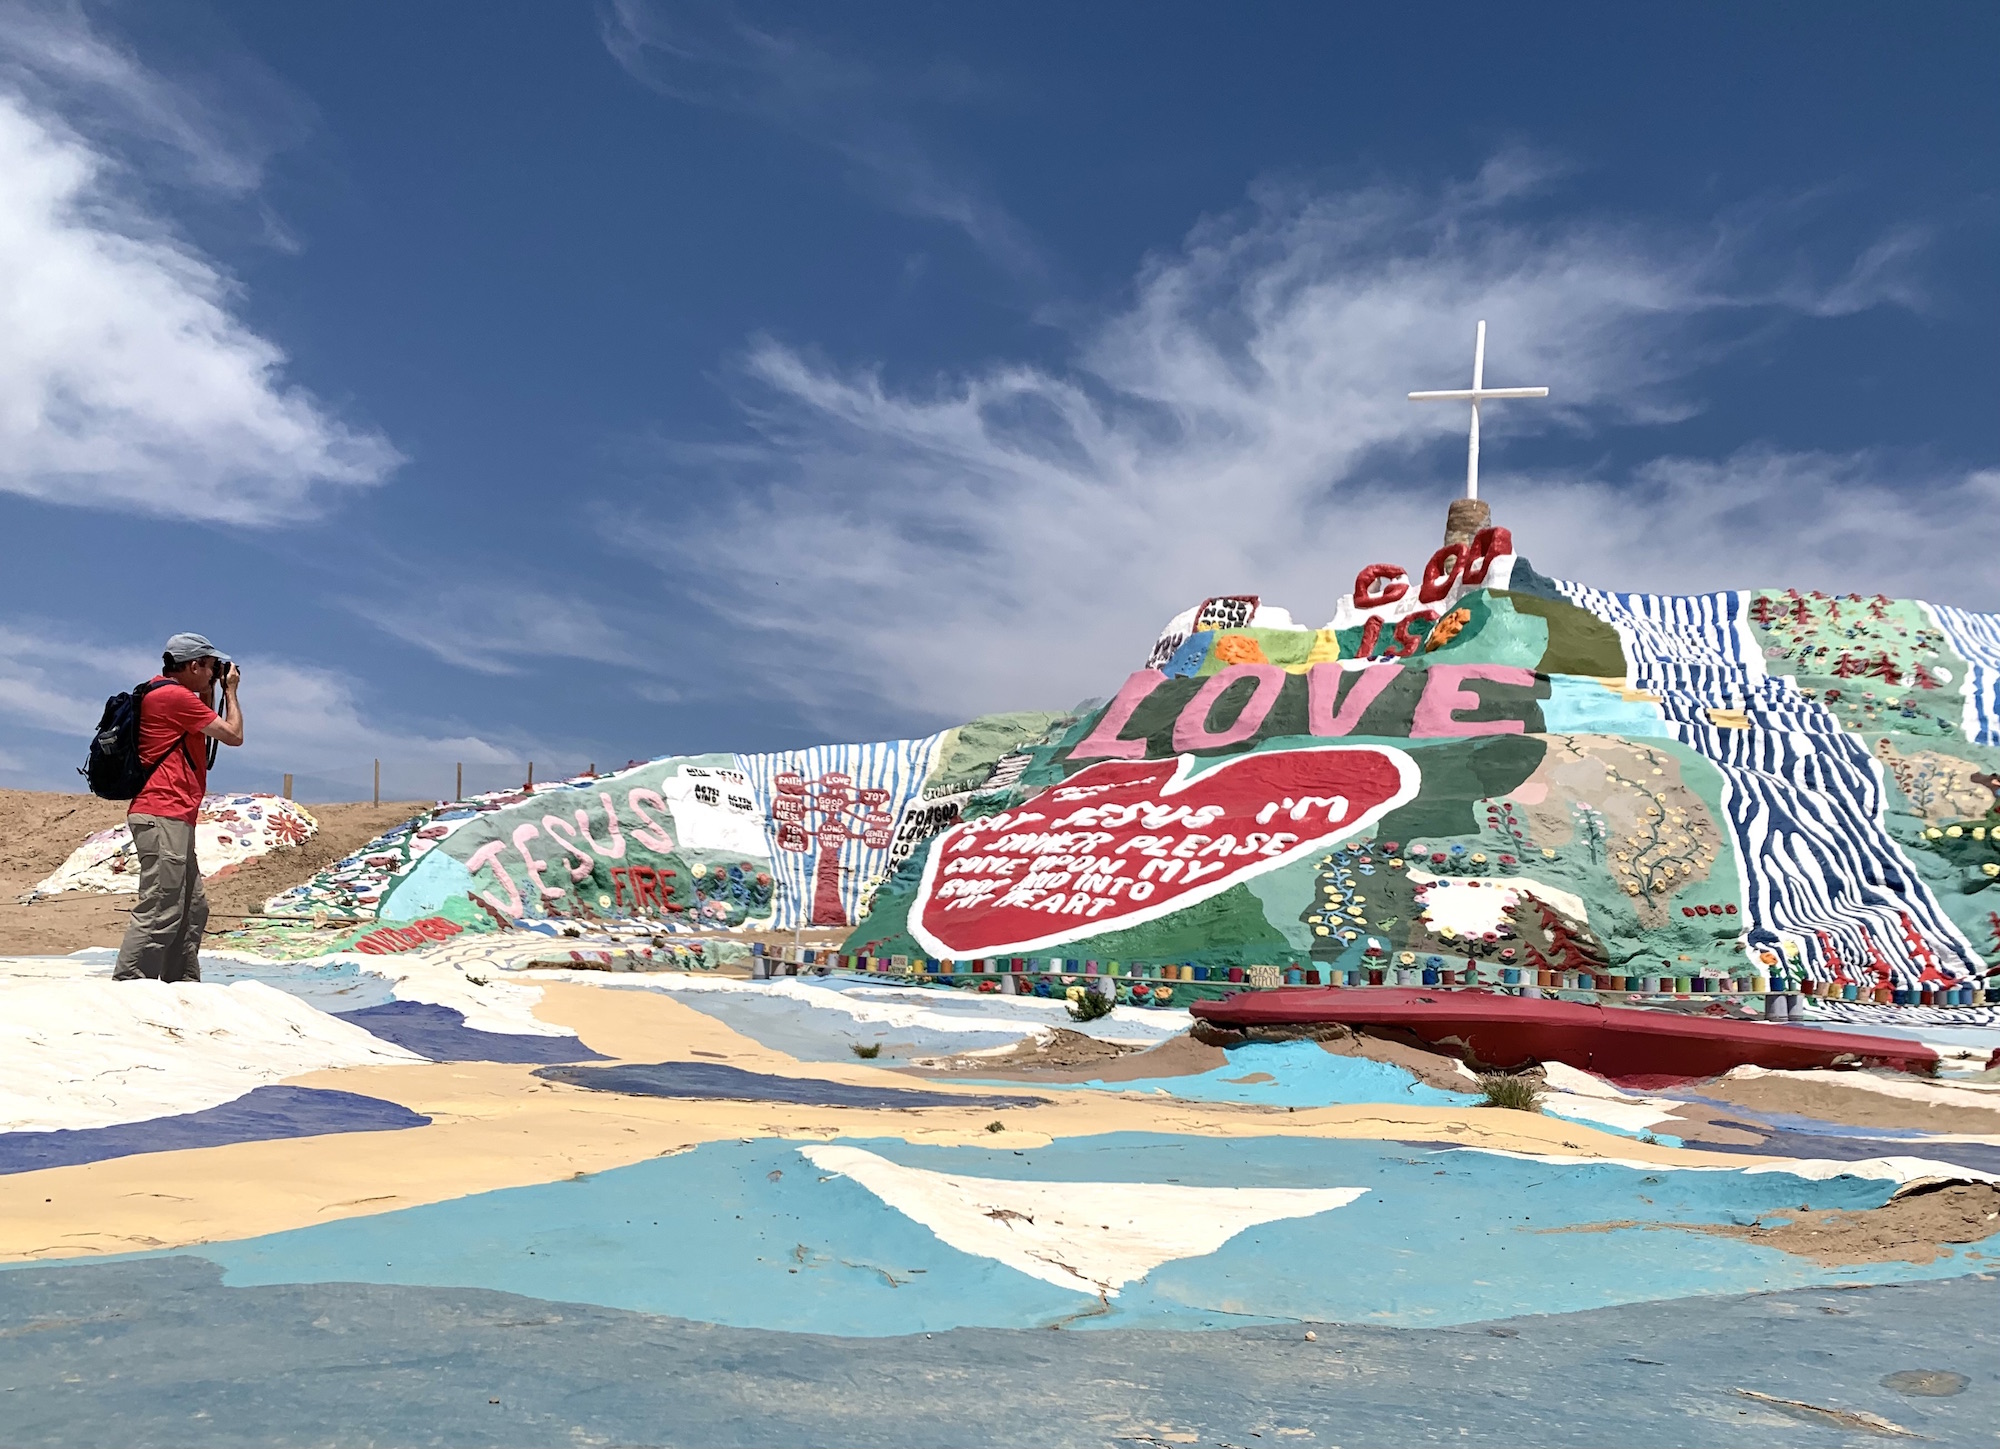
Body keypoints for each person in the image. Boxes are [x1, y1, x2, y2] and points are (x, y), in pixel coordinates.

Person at [111, 633, 245, 984]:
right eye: (212, 666)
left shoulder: (165, 692)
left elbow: (202, 719)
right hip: (163, 811)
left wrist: (212, 686)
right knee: (161, 906)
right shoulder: (173, 697)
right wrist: (230, 691)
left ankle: (181, 983)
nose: (216, 671)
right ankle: (132, 985)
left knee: (191, 907)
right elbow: (232, 734)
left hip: (173, 814)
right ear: (194, 665)